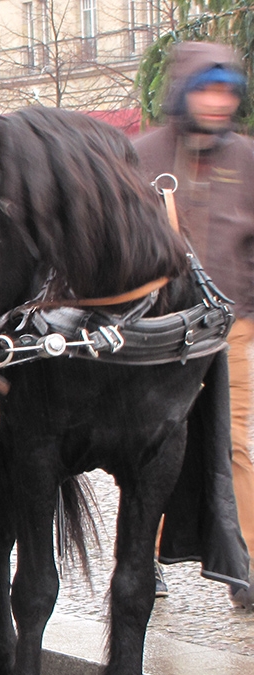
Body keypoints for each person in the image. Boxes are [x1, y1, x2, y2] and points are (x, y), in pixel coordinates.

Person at [133, 42, 254, 609]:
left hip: (231, 326)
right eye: (206, 89)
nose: (216, 102)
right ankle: (145, 552)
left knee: (234, 446)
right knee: (151, 443)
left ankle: (243, 562)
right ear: (185, 92)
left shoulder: (248, 161)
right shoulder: (142, 154)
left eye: (226, 92)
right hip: (157, 330)